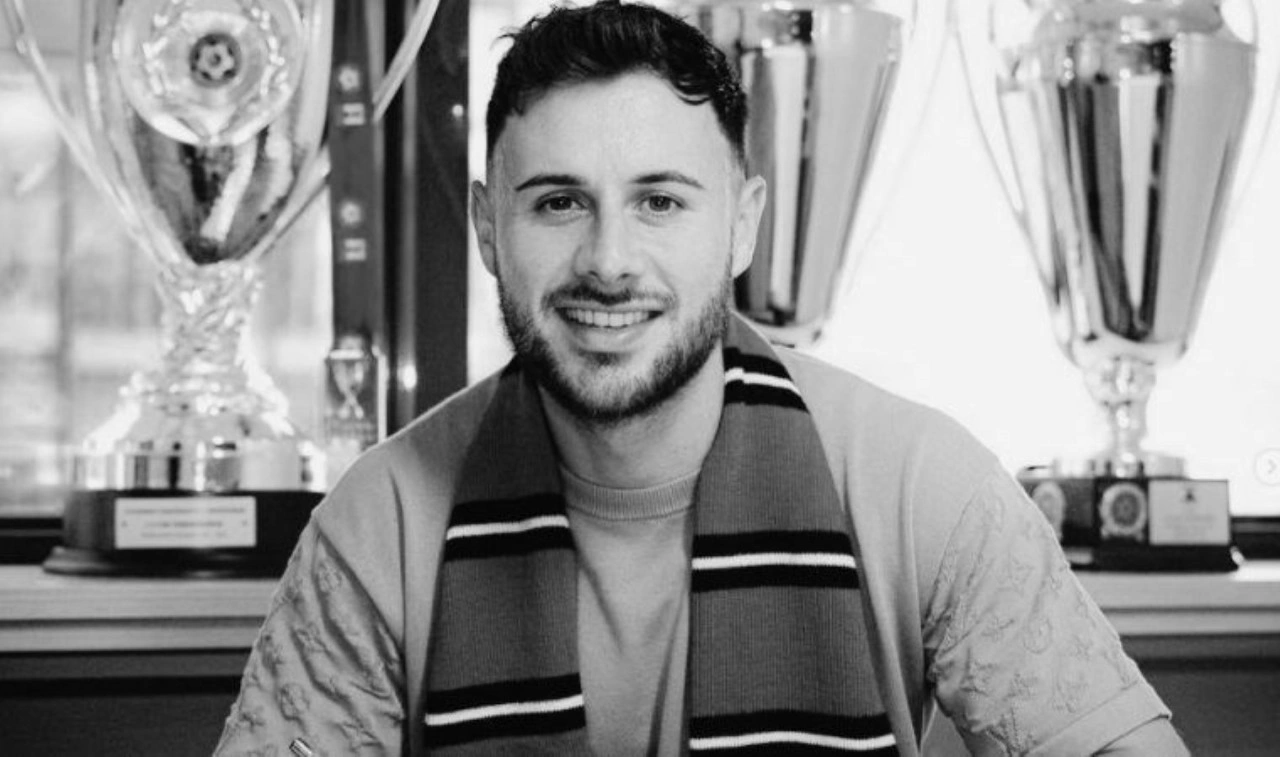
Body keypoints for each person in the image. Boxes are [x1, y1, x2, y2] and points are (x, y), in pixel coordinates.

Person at [214, 2, 1187, 755]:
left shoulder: (922, 484)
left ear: (742, 224)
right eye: (557, 203)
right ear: (485, 229)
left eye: (660, 202)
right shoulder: (376, 524)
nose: (608, 260)